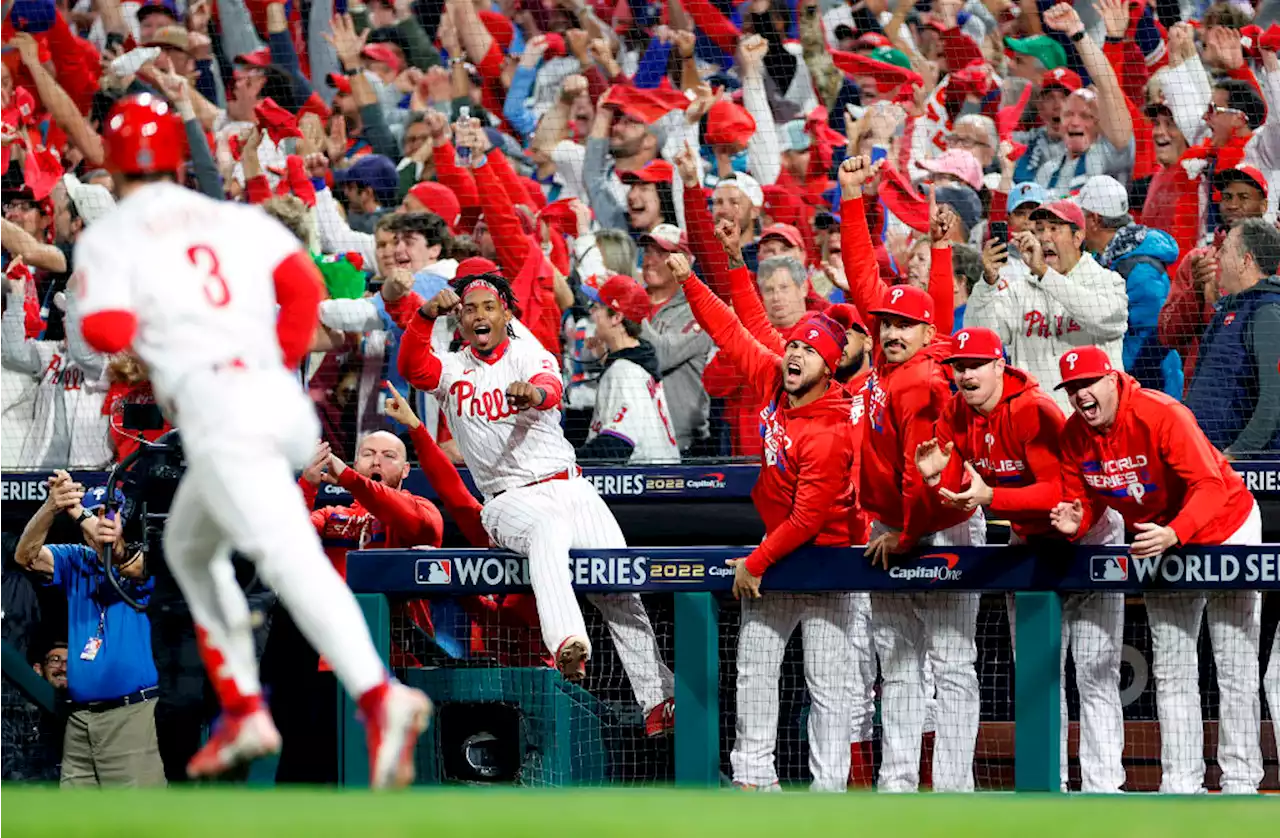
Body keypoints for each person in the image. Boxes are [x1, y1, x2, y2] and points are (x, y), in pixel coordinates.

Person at [70, 93, 430, 788]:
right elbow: (301, 286)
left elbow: (110, 335)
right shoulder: (229, 217)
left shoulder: (115, 235)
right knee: (188, 548)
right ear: (176, 157)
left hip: (226, 416)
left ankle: (382, 696)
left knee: (291, 560)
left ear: (114, 167)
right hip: (267, 400)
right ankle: (242, 707)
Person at [396, 272, 676, 737]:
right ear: (460, 320)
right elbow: (413, 368)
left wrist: (534, 393)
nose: (480, 315)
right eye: (470, 309)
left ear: (506, 312)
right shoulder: (451, 368)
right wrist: (425, 315)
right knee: (546, 528)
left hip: (570, 486)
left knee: (621, 589)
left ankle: (658, 703)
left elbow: (549, 386)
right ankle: (568, 640)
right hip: (508, 498)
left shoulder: (530, 352)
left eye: (489, 307)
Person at [670, 250, 856, 792]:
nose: (794, 354)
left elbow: (807, 517)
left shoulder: (829, 430)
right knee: (755, 667)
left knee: (828, 684)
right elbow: (729, 330)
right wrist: (690, 280)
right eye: (793, 344)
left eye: (807, 350)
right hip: (777, 551)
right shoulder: (776, 380)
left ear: (828, 366)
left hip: (826, 562)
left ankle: (829, 791)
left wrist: (754, 560)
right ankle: (753, 778)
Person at [915, 327, 1126, 793]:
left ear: (999, 366)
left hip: (1087, 538)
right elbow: (960, 492)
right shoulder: (955, 412)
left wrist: (992, 496)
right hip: (1027, 542)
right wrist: (938, 482)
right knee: (1037, 672)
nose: (965, 375)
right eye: (958, 366)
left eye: (975, 365)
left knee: (1095, 670)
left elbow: (1061, 493)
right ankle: (1047, 787)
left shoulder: (1034, 411)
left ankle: (1105, 788)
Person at [1049, 345, 1263, 795]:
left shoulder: (1161, 414)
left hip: (1226, 526)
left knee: (1234, 662)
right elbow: (1085, 501)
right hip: (1160, 538)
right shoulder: (1073, 435)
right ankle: (1182, 783)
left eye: (1087, 384)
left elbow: (1209, 485)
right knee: (1172, 664)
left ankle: (1241, 781)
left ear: (1112, 379)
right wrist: (1078, 521)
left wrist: (1175, 533)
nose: (1080, 396)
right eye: (1071, 389)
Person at [837, 153, 985, 794]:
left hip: (939, 523)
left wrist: (903, 533)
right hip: (896, 527)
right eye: (885, 324)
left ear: (929, 333)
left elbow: (925, 479)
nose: (891, 330)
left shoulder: (923, 379)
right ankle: (898, 787)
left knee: (949, 663)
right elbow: (869, 286)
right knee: (898, 662)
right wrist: (851, 202)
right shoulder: (885, 372)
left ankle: (950, 789)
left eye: (905, 324)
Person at [15, 476, 164, 787]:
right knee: (76, 822)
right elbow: (25, 556)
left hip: (130, 715)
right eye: (95, 513)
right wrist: (51, 506)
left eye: (109, 513)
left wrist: (78, 511)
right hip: (80, 718)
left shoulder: (145, 561)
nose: (101, 522)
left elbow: (125, 561)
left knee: (139, 823)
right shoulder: (75, 559)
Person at [967, 198, 1127, 412]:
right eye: (1039, 230)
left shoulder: (1106, 281)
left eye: (1054, 228)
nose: (1044, 237)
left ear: (1078, 237)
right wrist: (987, 283)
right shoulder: (1019, 291)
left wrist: (1045, 274)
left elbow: (1105, 321)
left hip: (1092, 421)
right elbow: (982, 338)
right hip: (1035, 421)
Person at [1184, 219, 1280, 454]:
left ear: (1245, 261)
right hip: (1207, 459)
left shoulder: (1267, 313)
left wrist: (1237, 454)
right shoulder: (1228, 310)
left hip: (1242, 473)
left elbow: (1274, 398)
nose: (1216, 257)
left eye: (1225, 250)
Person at [580, 275, 681, 464]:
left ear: (617, 317)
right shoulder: (634, 362)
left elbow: (617, 445)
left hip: (646, 482)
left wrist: (570, 462)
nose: (592, 314)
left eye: (598, 308)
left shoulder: (625, 371)